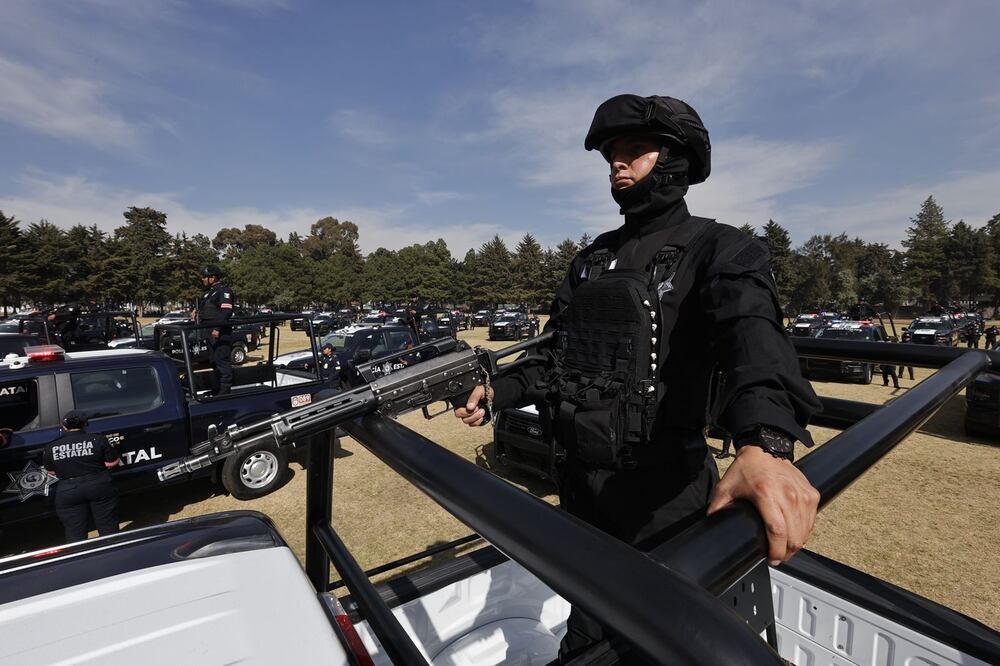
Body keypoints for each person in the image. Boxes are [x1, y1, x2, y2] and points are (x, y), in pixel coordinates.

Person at [454, 94, 821, 663]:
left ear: (676, 160)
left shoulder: (719, 248)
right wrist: (498, 390)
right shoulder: (590, 261)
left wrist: (764, 445)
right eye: (611, 156)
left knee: (660, 641)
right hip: (581, 494)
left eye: (634, 152)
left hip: (665, 501)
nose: (617, 165)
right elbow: (556, 356)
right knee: (588, 627)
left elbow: (756, 341)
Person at [43, 410, 120, 543]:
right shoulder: (98, 439)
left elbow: (51, 471)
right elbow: (112, 463)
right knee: (108, 525)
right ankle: (113, 551)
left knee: (74, 532)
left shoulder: (51, 447)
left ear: (63, 426)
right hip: (99, 485)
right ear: (86, 424)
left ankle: (79, 558)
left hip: (68, 490)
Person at [195, 265, 235, 395]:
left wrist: (217, 328)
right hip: (209, 332)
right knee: (213, 362)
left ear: (213, 277)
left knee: (222, 362)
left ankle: (225, 393)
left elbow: (226, 311)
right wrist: (197, 312)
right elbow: (208, 309)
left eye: (205, 277)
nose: (202, 279)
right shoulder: (209, 292)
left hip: (219, 333)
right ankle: (217, 389)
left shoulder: (224, 291)